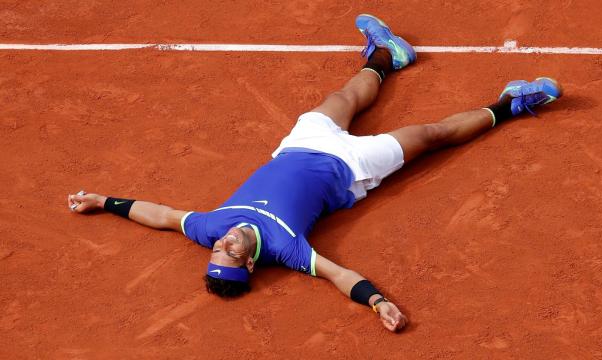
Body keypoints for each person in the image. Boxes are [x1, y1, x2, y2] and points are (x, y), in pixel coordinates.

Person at [67, 14, 562, 332]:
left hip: (298, 147)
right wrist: (377, 303)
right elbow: (339, 275)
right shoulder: (286, 249)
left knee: (343, 99)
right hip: (353, 169)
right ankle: (513, 104)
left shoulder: (210, 228)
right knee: (429, 134)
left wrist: (103, 201)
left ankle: (388, 55)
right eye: (232, 255)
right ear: (251, 265)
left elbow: (160, 215)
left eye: (219, 251)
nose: (226, 245)